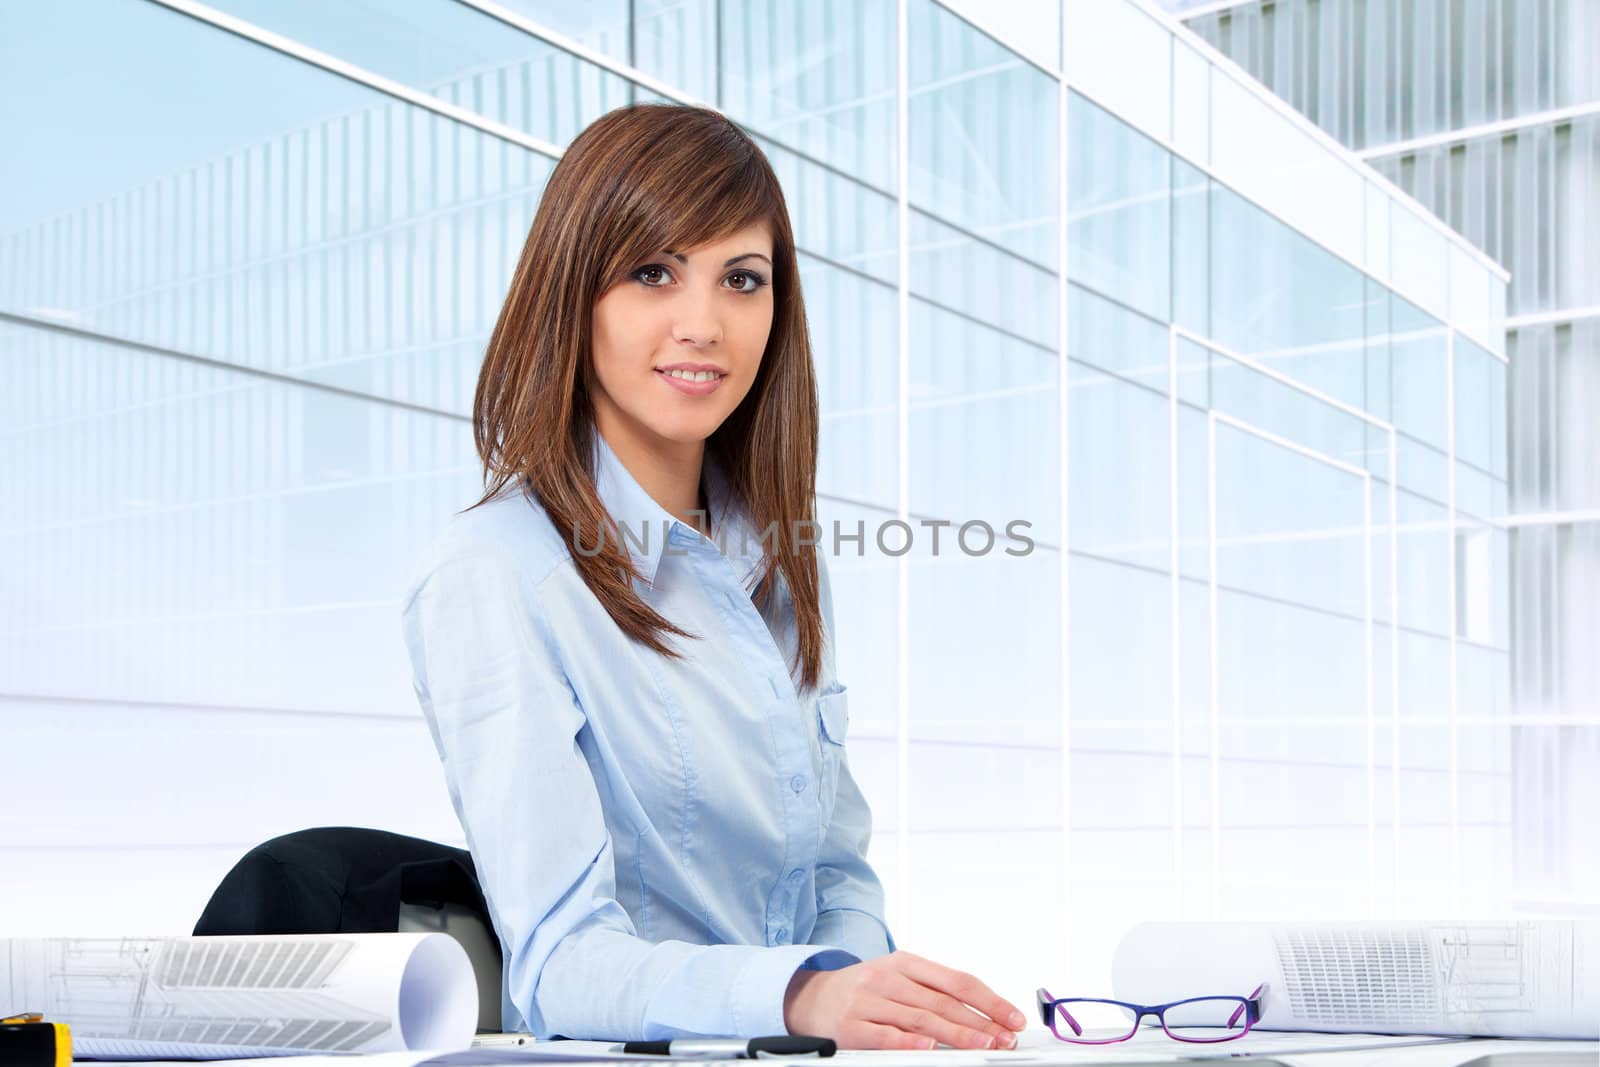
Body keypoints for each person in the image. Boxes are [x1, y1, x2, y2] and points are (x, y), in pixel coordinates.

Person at [400, 103, 1025, 1049]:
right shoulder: (499, 573)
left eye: (742, 279)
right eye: (654, 272)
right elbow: (562, 965)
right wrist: (801, 996)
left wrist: (867, 995)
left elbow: (836, 878)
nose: (704, 323)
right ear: (575, 293)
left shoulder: (772, 556)